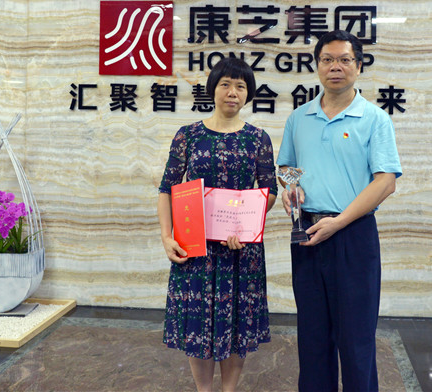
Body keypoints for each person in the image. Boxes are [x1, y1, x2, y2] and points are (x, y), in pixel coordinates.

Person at [276, 30, 402, 392]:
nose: (335, 67)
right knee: (312, 336)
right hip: (306, 233)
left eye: (344, 60)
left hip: (353, 235)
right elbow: (286, 168)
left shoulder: (374, 119)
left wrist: (339, 222)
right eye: (327, 59)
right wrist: (290, 188)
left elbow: (385, 182)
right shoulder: (299, 118)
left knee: (356, 338)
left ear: (358, 66)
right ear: (317, 66)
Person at [158, 57, 278, 392]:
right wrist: (166, 236)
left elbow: (269, 190)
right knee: (198, 322)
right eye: (225, 84)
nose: (232, 92)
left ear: (248, 94)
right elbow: (167, 188)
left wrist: (245, 225)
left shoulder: (258, 138)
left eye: (240, 86)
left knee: (236, 322)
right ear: (213, 89)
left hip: (240, 249)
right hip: (195, 248)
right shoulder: (188, 135)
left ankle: (229, 389)